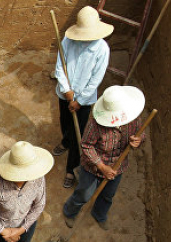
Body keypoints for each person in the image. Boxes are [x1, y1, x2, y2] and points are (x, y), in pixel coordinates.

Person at [63, 85, 146, 230]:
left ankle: (99, 214)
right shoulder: (95, 124)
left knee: (108, 195)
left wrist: (137, 140)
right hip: (93, 168)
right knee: (84, 194)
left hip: (117, 167)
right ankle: (69, 212)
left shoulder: (134, 118)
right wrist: (101, 166)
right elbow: (86, 145)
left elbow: (140, 134)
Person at [52, 6, 113, 189]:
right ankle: (65, 141)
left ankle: (71, 168)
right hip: (65, 94)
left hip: (84, 100)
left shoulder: (102, 49)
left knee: (80, 133)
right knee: (65, 122)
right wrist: (66, 91)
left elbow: (96, 80)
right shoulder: (68, 40)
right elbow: (59, 67)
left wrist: (79, 101)